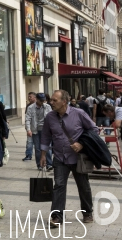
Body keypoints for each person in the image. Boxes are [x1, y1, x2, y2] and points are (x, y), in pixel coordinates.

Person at [40, 90, 98, 227]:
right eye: (51, 100)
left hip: (78, 158)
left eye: (55, 100)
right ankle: (57, 216)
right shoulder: (50, 117)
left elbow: (94, 129)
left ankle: (87, 212)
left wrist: (82, 143)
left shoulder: (79, 114)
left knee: (83, 186)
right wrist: (43, 155)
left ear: (64, 102)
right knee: (59, 185)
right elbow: (46, 136)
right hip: (60, 157)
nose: (51, 102)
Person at [25, 92, 53, 171]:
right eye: (41, 101)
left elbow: (51, 118)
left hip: (46, 130)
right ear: (37, 99)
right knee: (37, 149)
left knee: (48, 147)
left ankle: (49, 164)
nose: (42, 102)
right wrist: (28, 129)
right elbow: (27, 119)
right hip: (35, 131)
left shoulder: (47, 107)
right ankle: (39, 165)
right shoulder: (30, 107)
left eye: (43, 100)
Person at [23, 92, 37, 162]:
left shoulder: (38, 105)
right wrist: (27, 128)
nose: (29, 98)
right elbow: (27, 118)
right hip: (30, 127)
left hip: (38, 128)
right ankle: (28, 155)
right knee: (29, 142)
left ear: (35, 97)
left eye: (30, 97)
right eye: (28, 97)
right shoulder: (28, 106)